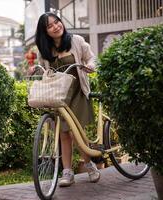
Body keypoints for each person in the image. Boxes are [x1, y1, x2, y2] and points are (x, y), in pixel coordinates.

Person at [35, 12, 100, 187]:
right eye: (50, 25)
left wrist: (90, 66)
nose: (56, 26)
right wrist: (37, 72)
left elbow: (91, 57)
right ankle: (67, 172)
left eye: (57, 22)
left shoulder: (76, 40)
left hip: (77, 92)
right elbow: (45, 71)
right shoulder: (46, 50)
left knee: (75, 132)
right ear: (45, 31)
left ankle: (89, 165)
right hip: (60, 96)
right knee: (63, 134)